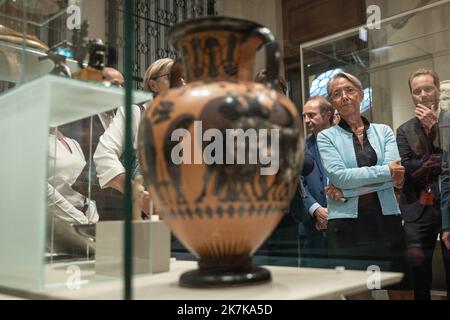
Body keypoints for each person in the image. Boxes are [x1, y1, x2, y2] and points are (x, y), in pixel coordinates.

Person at [317, 72, 410, 297]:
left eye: (349, 90)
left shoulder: (384, 131)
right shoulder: (326, 137)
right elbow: (339, 177)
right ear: (333, 103)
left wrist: (348, 187)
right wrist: (386, 175)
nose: (344, 96)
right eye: (337, 93)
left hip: (386, 220)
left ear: (360, 94)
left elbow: (395, 173)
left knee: (402, 290)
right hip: (348, 228)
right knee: (358, 293)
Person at [93, 58, 175, 219]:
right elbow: (104, 156)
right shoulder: (135, 113)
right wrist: (138, 196)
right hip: (139, 219)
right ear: (153, 85)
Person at [397, 69, 450, 300]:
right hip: (417, 210)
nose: (424, 94)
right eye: (417, 91)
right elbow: (409, 170)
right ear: (412, 96)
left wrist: (435, 130)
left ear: (437, 90)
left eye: (428, 88)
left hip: (448, 205)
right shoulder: (404, 130)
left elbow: (445, 163)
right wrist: (431, 160)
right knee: (419, 278)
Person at [47, 128, 99, 256]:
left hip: (83, 225)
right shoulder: (36, 142)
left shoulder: (74, 143)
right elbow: (42, 190)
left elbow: (85, 184)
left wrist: (92, 219)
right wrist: (78, 219)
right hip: (57, 226)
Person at [298, 96, 334, 267]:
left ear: (328, 115)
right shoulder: (301, 147)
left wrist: (333, 211)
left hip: (343, 225)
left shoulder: (344, 140)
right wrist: (317, 209)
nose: (306, 120)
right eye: (304, 116)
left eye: (311, 115)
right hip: (313, 228)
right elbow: (298, 183)